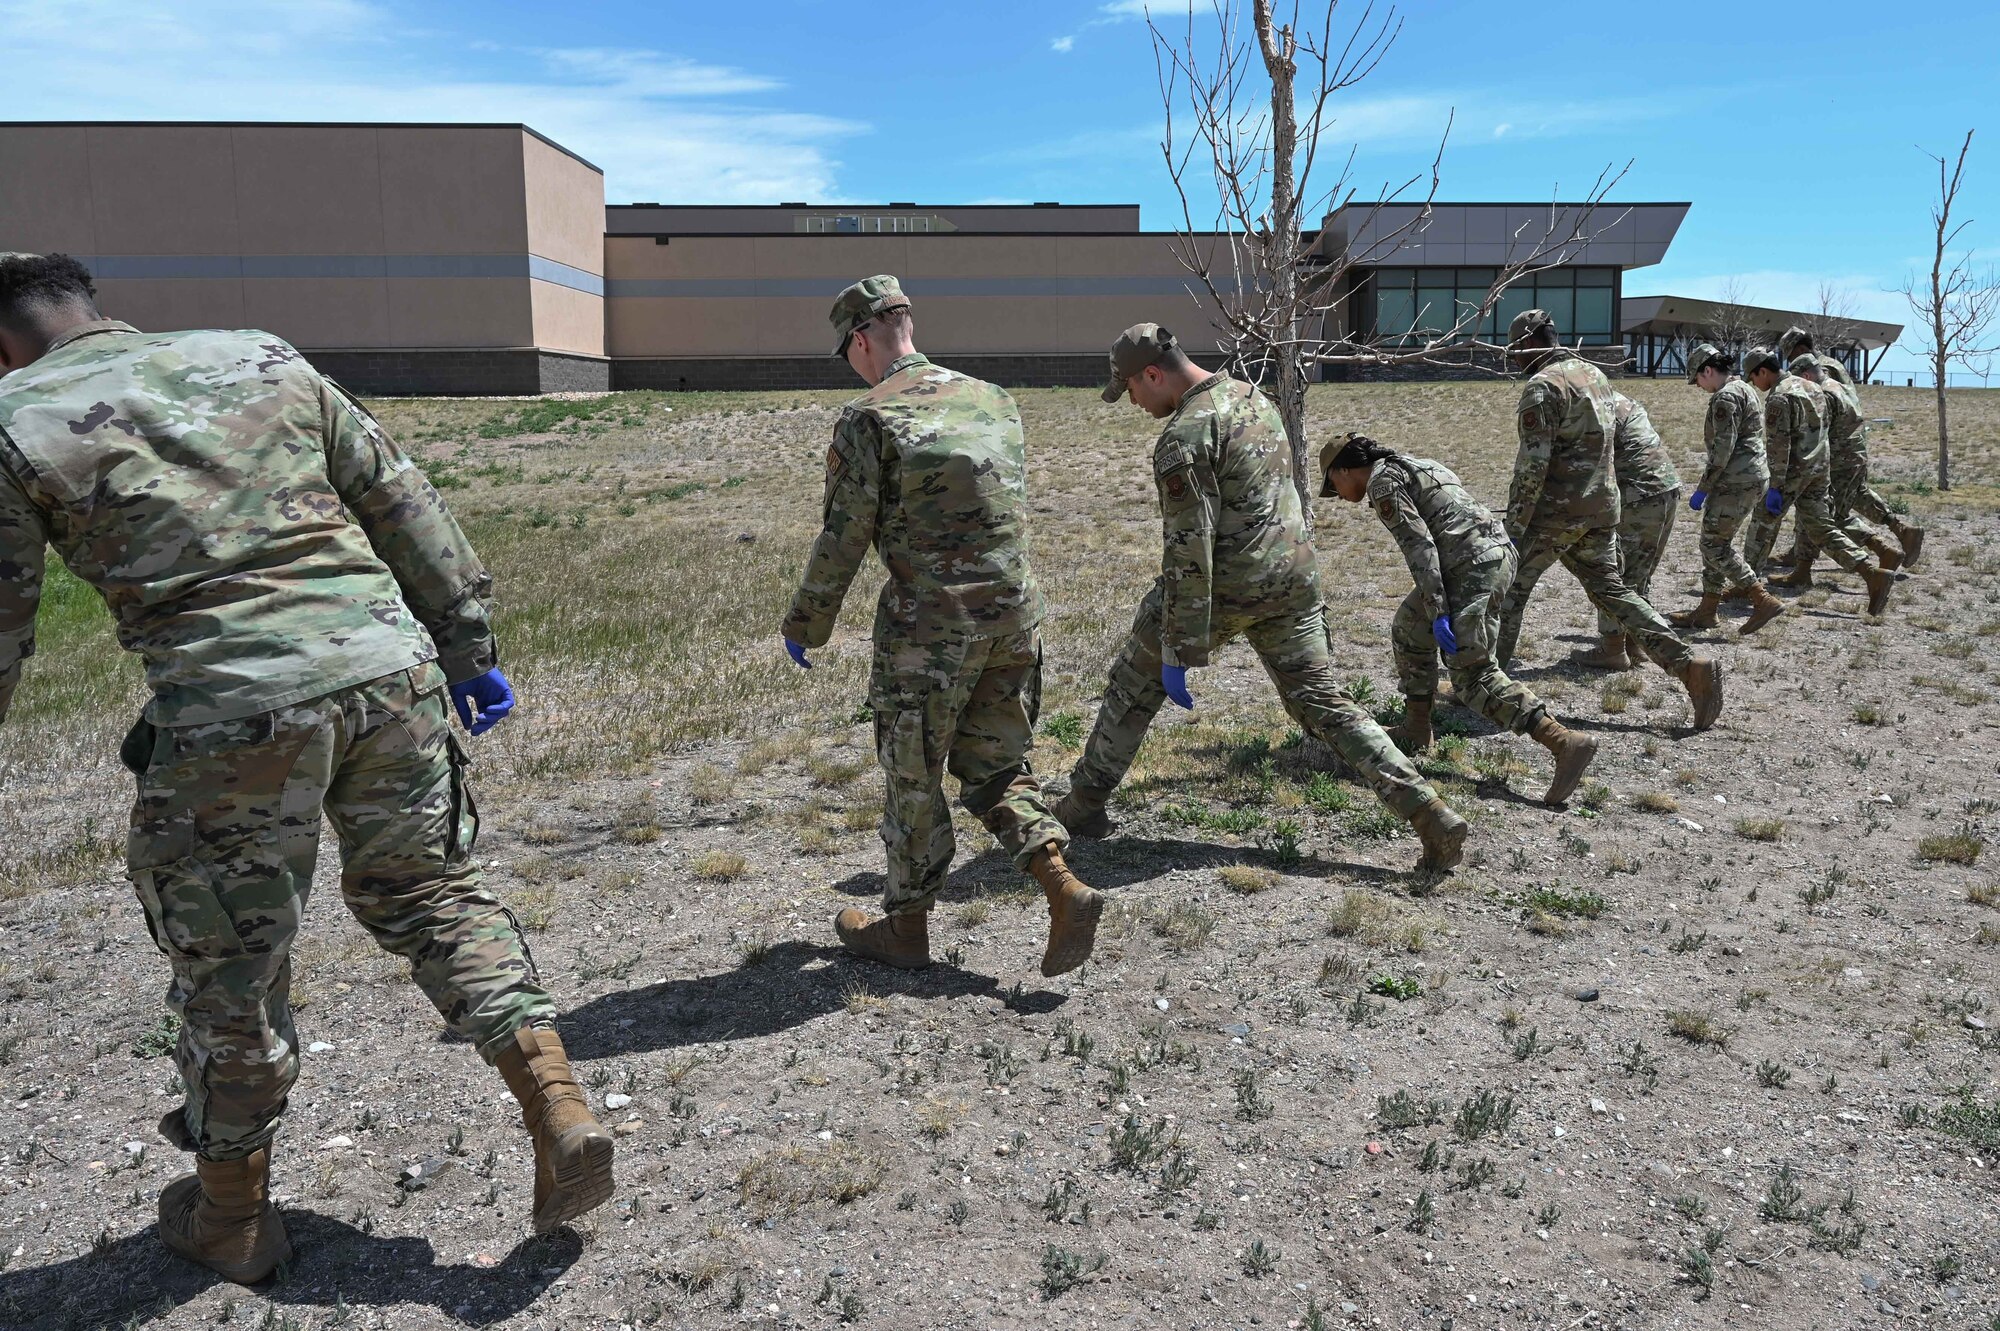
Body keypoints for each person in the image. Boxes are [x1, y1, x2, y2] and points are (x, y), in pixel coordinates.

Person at [0, 254, 611, 1283]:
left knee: (233, 968)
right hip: (389, 672)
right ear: (93, 306)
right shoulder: (261, 354)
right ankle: (555, 1099)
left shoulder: (15, 418)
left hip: (228, 715)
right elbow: (400, 496)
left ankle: (232, 1215)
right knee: (433, 895)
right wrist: (466, 646)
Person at [1051, 323, 1468, 873]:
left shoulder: (1185, 436)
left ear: (1153, 374)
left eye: (1129, 388)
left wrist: (1178, 644)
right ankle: (1430, 813)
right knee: (1326, 704)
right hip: (1292, 579)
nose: (1130, 399)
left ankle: (1082, 806)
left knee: (1133, 685)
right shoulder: (1255, 398)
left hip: (1227, 585)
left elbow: (1188, 550)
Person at [780, 275, 1102, 976]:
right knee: (995, 768)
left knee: (914, 776)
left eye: (849, 351)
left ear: (860, 339)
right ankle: (1062, 885)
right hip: (1014, 619)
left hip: (931, 631)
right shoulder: (995, 400)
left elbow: (843, 535)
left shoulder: (871, 417)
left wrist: (806, 622)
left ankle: (906, 927)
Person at [1319, 433, 1598, 805]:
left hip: (1470, 567)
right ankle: (1417, 730)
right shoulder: (1419, 464)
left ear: (1345, 468)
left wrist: (1439, 611)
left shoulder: (1384, 483)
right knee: (1408, 629)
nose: (1336, 494)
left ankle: (1563, 741)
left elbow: (1420, 547)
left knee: (1471, 675)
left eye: (1332, 484)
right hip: (1486, 557)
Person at [1492, 310, 1723, 729]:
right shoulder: (1592, 374)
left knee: (1508, 589)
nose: (1514, 360)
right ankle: (1690, 665)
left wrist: (1513, 527)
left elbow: (1532, 468)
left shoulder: (1542, 386)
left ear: (1527, 344)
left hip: (1556, 514)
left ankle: (1487, 683)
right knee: (1614, 593)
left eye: (1515, 351)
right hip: (1601, 508)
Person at [1739, 349, 1894, 616]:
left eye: (1754, 379)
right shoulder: (1812, 386)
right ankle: (1871, 573)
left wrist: (1775, 485)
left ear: (1762, 371)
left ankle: (1746, 583)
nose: (1756, 386)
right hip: (1820, 469)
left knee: (1762, 523)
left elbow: (1779, 445)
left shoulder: (1779, 397)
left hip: (1793, 471)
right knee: (1821, 528)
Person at [1671, 342, 1783, 634]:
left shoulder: (1724, 397)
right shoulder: (1745, 389)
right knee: (1716, 539)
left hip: (1735, 480)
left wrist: (1703, 488)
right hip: (1753, 477)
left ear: (1708, 370)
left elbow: (1722, 449)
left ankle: (1761, 598)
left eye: (1697, 378)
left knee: (1713, 545)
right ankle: (1707, 611)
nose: (1698, 385)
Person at [1791, 358, 1924, 574]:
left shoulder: (1823, 395)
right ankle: (1896, 538)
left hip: (1837, 462)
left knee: (1828, 516)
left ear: (1806, 377)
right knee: (1847, 504)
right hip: (1855, 456)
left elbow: (1819, 433)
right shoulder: (1841, 386)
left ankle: (1883, 552)